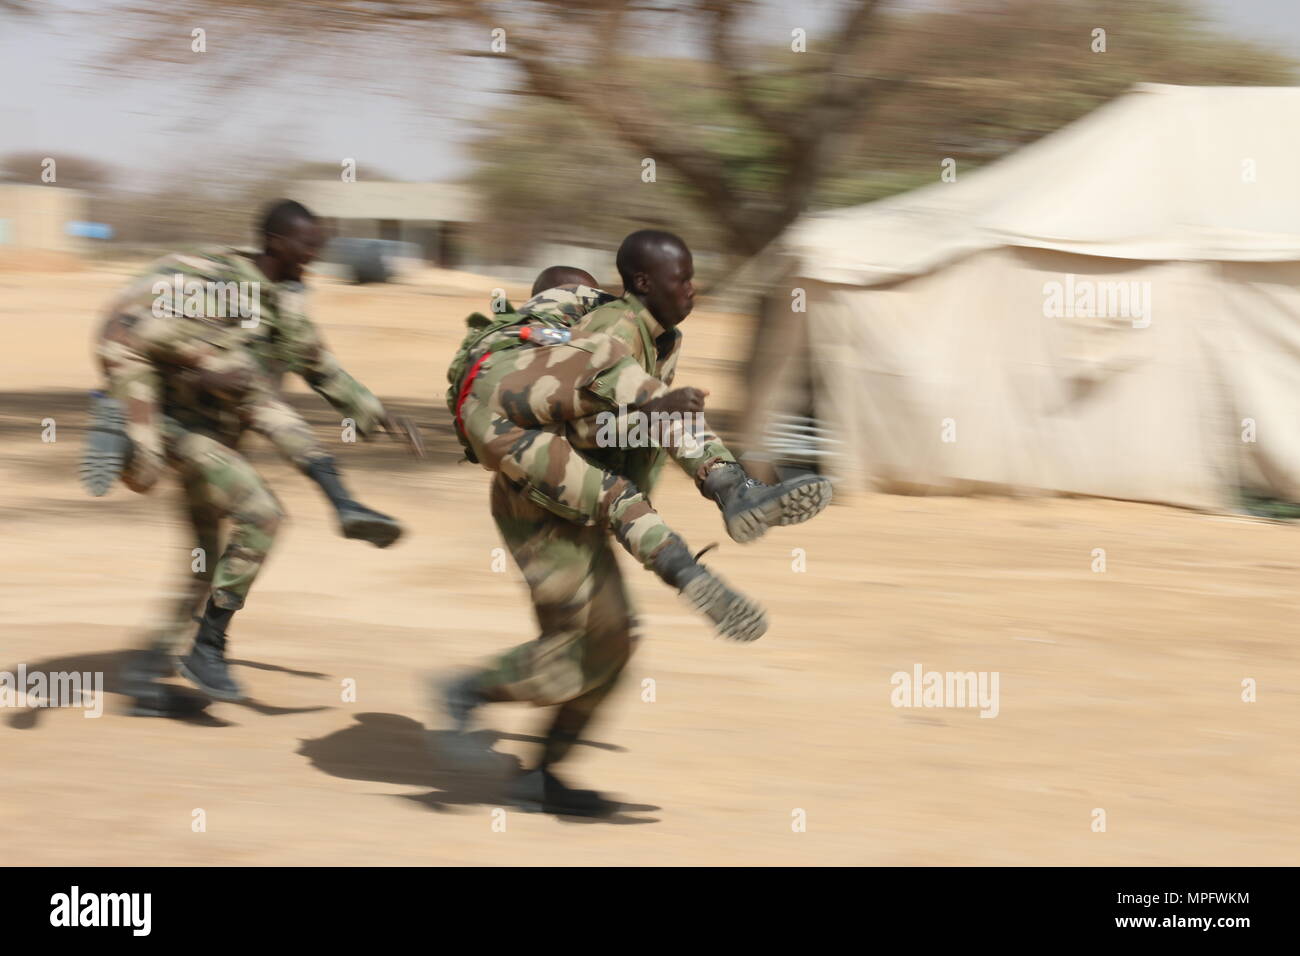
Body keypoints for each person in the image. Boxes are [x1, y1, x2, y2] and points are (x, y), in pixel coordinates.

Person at [437, 232, 830, 815]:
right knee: (586, 648)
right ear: (644, 282)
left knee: (610, 645)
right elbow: (581, 426)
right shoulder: (614, 332)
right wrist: (651, 415)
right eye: (683, 278)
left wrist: (653, 420)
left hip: (576, 497)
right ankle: (470, 692)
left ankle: (540, 776)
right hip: (541, 511)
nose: (694, 289)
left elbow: (624, 426)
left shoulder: (658, 336)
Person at [87, 200, 422, 712]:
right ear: (276, 242)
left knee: (206, 558)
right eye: (307, 245)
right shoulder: (223, 285)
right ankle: (207, 647)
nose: (314, 254)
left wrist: (376, 415)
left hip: (222, 428)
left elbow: (319, 366)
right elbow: (136, 331)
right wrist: (197, 372)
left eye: (319, 245)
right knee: (262, 515)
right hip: (174, 423)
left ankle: (145, 677)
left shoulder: (285, 299)